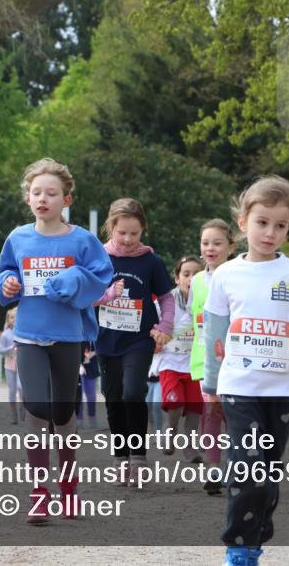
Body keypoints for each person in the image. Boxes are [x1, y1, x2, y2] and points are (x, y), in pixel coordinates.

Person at [203, 175, 289, 566]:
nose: (270, 232)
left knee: (267, 471)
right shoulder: (225, 275)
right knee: (246, 463)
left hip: (283, 390)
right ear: (243, 223)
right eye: (262, 222)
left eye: (280, 225)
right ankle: (238, 549)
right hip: (239, 387)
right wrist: (210, 387)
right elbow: (214, 336)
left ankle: (256, 538)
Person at [0, 157, 114, 523]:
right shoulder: (17, 237)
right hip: (29, 335)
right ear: (28, 198)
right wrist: (8, 283)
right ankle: (38, 493)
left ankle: (69, 489)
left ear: (67, 200)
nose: (42, 198)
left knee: (63, 414)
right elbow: (5, 273)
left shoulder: (82, 239)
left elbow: (102, 274)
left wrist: (74, 279)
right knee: (36, 410)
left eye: (51, 192)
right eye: (36, 192)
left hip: (67, 335)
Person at [92, 198, 174, 486]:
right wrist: (108, 296)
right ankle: (120, 457)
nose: (127, 240)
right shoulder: (98, 258)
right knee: (113, 397)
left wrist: (165, 325)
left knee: (132, 393)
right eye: (121, 232)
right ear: (110, 228)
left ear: (143, 231)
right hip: (106, 338)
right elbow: (87, 296)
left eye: (134, 234)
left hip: (139, 339)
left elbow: (166, 298)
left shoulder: (151, 261)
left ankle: (138, 457)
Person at [189, 218, 237, 495]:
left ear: (230, 247)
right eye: (205, 243)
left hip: (234, 360)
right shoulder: (196, 280)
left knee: (233, 416)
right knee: (211, 413)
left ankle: (237, 466)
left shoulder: (236, 277)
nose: (210, 248)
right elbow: (193, 319)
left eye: (217, 243)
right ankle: (213, 469)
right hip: (202, 361)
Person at [160, 255, 205, 461]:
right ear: (177, 278)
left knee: (195, 408)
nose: (191, 278)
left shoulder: (208, 299)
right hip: (170, 360)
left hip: (196, 362)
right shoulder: (166, 301)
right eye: (186, 274)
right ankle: (170, 430)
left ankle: (190, 447)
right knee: (175, 403)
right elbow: (156, 325)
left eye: (196, 274)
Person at [0, 307, 23, 424]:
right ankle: (14, 416)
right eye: (12, 317)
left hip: (22, 365)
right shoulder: (5, 335)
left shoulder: (23, 332)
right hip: (9, 365)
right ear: (8, 319)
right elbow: (1, 350)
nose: (14, 319)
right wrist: (11, 348)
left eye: (17, 317)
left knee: (21, 387)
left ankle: (23, 410)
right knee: (12, 390)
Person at [76, 342, 100, 429]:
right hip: (76, 365)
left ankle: (92, 417)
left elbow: (101, 345)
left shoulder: (93, 333)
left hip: (91, 367)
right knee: (78, 394)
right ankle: (78, 419)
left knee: (91, 395)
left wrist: (93, 353)